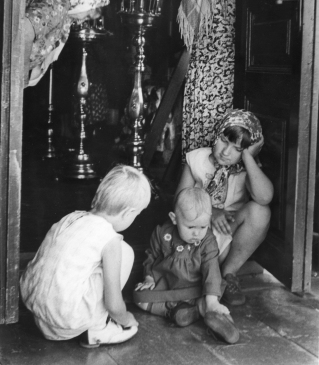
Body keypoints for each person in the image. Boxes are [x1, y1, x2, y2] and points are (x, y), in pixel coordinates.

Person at [20, 165, 151, 348]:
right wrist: (127, 319)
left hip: (38, 314)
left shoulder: (71, 218)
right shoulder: (109, 239)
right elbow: (113, 305)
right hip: (66, 319)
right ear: (127, 213)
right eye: (136, 215)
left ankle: (77, 323)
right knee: (126, 251)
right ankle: (98, 328)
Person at [175, 109, 274, 306]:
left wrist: (247, 157)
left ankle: (227, 275)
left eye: (237, 149)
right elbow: (180, 199)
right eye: (224, 141)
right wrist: (210, 211)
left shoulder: (248, 170)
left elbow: (264, 197)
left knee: (261, 212)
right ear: (217, 134)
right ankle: (201, 280)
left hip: (226, 238)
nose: (226, 152)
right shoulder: (197, 159)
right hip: (197, 237)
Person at [134, 187, 240, 344]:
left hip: (196, 289)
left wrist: (212, 301)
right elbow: (152, 256)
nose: (197, 233)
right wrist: (149, 278)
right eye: (191, 227)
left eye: (203, 227)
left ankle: (218, 317)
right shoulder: (162, 233)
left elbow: (212, 270)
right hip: (166, 287)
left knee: (211, 302)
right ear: (174, 218)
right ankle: (187, 311)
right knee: (139, 297)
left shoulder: (208, 241)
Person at [177, 0, 238, 158]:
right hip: (221, 79)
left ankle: (195, 189)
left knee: (201, 133)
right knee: (218, 138)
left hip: (202, 77)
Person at [24, 0, 109, 87]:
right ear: (84, 0)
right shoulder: (59, 0)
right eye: (87, 16)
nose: (81, 22)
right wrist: (17, 83)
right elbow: (25, 32)